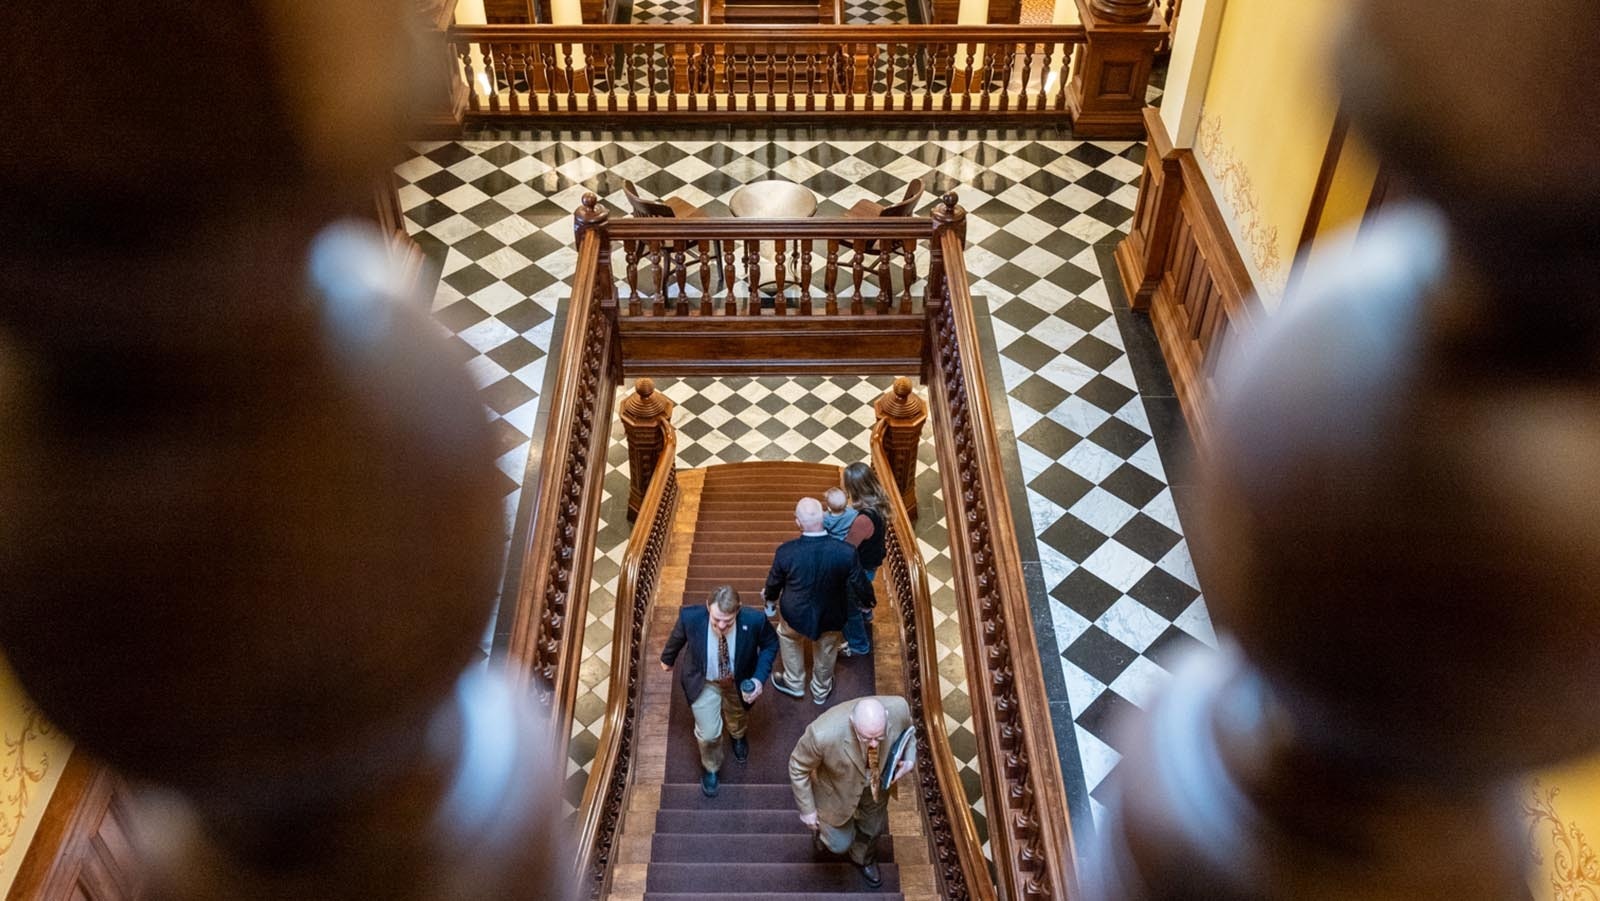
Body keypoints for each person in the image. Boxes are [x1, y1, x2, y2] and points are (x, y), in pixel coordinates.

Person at [660, 585, 779, 798]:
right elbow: (678, 637)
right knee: (708, 734)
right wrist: (667, 658)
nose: (721, 626)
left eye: (728, 621)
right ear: (708, 607)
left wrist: (759, 678)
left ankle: (738, 734)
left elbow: (770, 644)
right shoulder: (690, 617)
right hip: (704, 681)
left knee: (737, 714)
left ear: (738, 610)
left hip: (738, 680)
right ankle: (711, 766)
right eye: (716, 620)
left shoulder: (754, 621)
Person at [788, 696, 916, 888]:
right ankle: (820, 834)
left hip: (876, 785)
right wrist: (808, 810)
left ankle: (863, 859)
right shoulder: (821, 734)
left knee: (873, 829)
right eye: (866, 738)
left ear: (887, 717)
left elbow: (910, 733)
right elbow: (797, 766)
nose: (873, 744)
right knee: (839, 844)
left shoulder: (899, 708)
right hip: (837, 791)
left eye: (878, 737)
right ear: (852, 722)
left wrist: (910, 758)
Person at [762, 497, 855, 705]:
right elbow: (858, 584)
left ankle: (794, 682)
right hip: (832, 615)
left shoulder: (786, 552)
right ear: (823, 516)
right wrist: (867, 603)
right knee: (827, 647)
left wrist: (769, 599)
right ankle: (820, 690)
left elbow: (774, 583)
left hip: (795, 613)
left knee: (788, 637)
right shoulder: (846, 552)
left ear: (798, 522)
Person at [839, 462, 889, 657]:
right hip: (871, 562)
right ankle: (866, 612)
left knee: (848, 607)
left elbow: (847, 548)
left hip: (861, 566)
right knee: (863, 590)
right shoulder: (878, 504)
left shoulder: (863, 519)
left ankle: (859, 644)